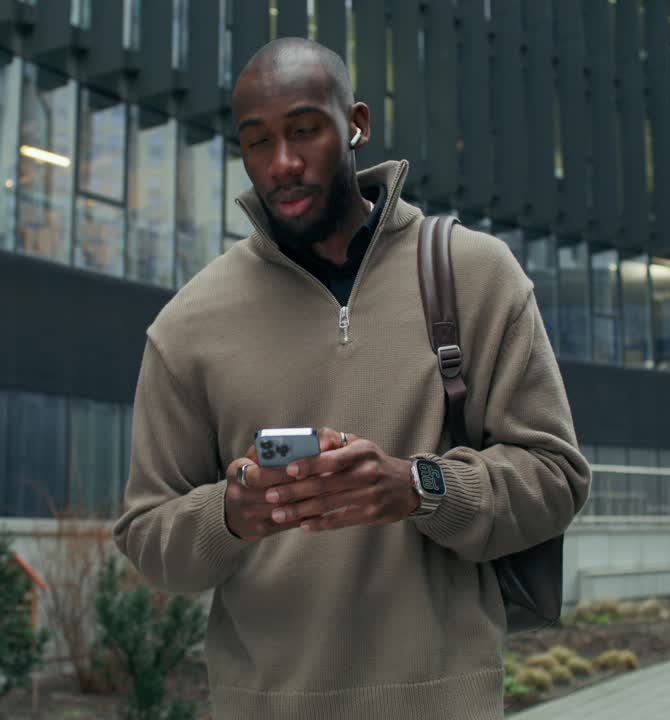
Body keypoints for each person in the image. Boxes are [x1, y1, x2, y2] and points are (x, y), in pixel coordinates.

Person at [113, 37, 591, 720]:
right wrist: (231, 515)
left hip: (443, 704)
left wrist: (419, 487)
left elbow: (556, 477)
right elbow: (146, 536)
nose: (282, 162)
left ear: (356, 124)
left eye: (305, 130)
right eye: (257, 141)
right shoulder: (189, 326)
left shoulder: (476, 275)